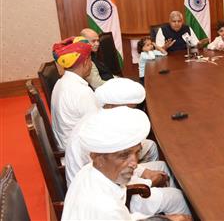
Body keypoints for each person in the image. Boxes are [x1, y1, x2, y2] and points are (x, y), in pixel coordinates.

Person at [64, 81, 190, 218]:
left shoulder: (92, 168)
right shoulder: (106, 209)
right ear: (96, 157)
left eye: (136, 153)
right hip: (123, 199)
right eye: (125, 155)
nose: (135, 163)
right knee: (178, 200)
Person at [51, 36, 100, 150]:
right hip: (81, 151)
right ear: (86, 62)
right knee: (147, 145)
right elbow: (97, 127)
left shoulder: (60, 82)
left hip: (68, 144)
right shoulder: (81, 91)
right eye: (90, 60)